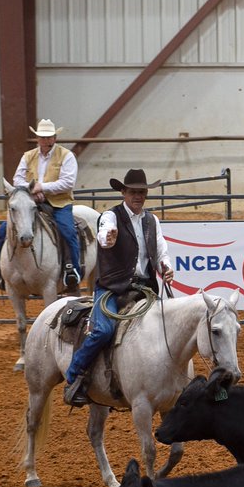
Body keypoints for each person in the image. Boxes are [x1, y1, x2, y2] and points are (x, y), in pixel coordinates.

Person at [62, 169, 174, 407]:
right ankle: (75, 375)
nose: (138, 196)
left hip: (145, 288)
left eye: (142, 192)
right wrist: (107, 238)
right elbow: (104, 234)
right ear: (123, 192)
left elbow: (161, 250)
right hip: (112, 288)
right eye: (133, 192)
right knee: (102, 330)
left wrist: (166, 266)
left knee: (168, 327)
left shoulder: (151, 221)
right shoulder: (110, 217)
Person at [0, 118, 82, 290]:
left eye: (49, 137)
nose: (45, 140)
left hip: (59, 203)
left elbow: (68, 183)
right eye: (42, 137)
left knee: (67, 230)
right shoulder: (28, 156)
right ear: (37, 138)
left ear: (55, 138)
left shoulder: (66, 156)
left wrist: (41, 187)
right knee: (3, 230)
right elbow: (18, 179)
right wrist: (32, 192)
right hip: (32, 202)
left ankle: (71, 269)